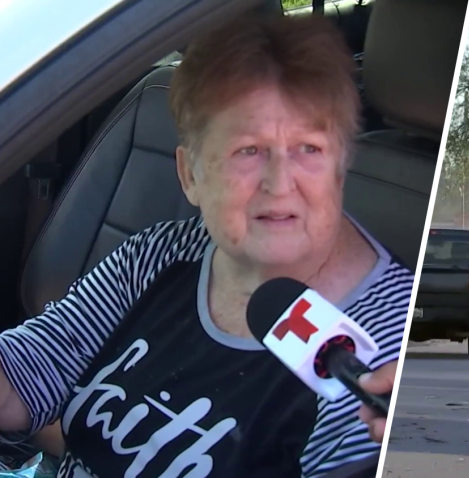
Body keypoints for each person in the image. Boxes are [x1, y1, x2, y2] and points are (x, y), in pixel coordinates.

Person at [0, 12, 411, 478]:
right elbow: (23, 376)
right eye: (247, 151)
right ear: (190, 175)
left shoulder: (383, 352)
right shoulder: (158, 255)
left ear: (341, 165)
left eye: (309, 149)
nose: (279, 184)